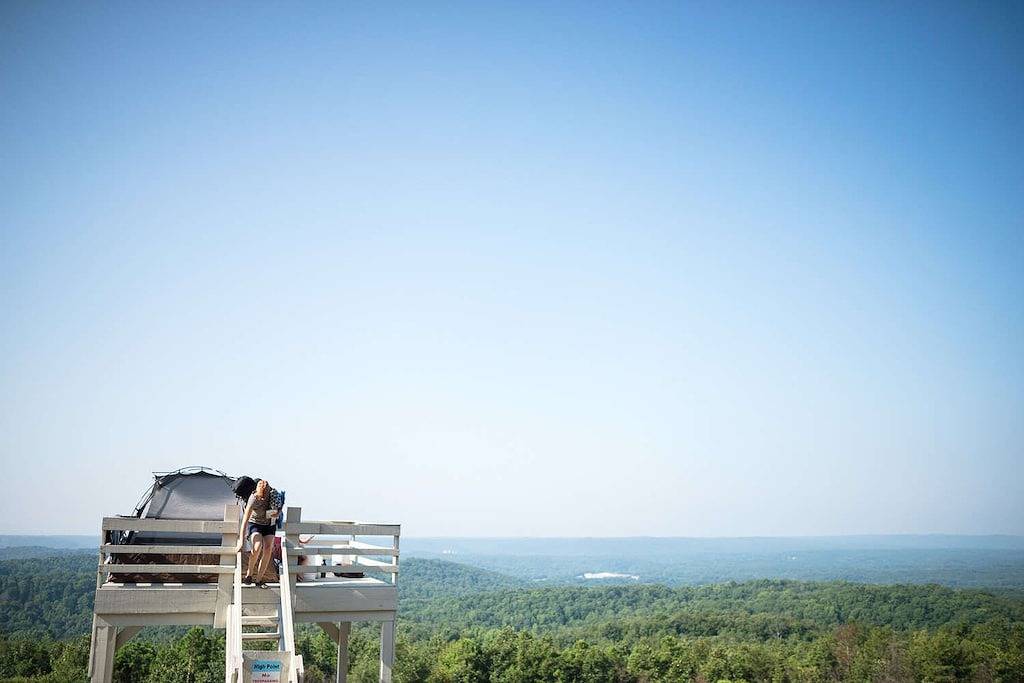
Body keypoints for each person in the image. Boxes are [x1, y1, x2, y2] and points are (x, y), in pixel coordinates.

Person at [234, 479, 280, 587]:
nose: (263, 498)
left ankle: (259, 580)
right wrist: (241, 541)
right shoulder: (253, 498)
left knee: (268, 549)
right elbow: (245, 520)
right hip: (255, 523)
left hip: (269, 524)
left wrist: (277, 513)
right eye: (262, 496)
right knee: (257, 546)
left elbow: (279, 510)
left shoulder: (274, 495)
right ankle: (249, 574)